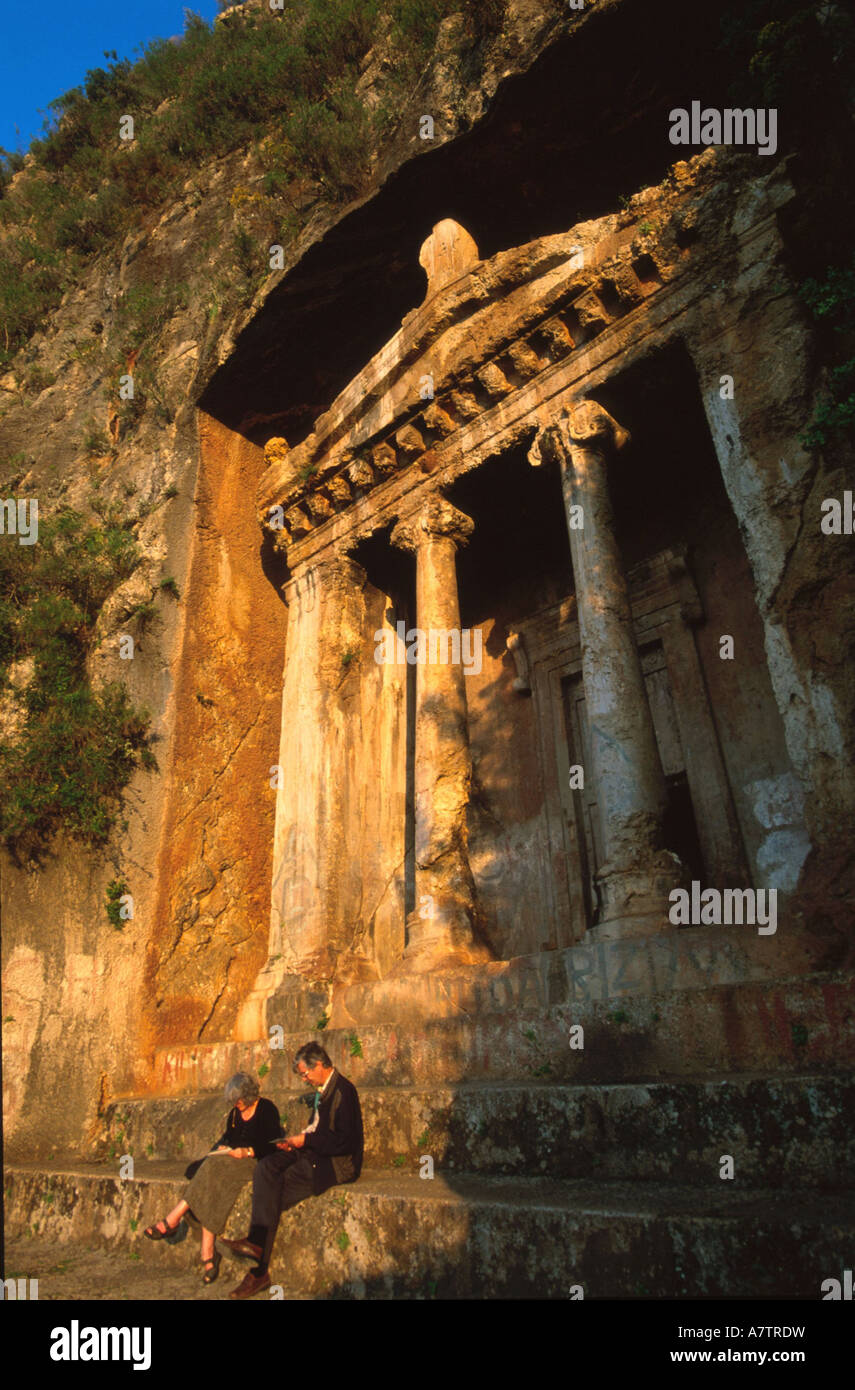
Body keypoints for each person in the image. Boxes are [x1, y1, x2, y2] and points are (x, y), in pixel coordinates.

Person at [218, 1042, 363, 1298]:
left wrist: (305, 1141)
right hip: (313, 1150)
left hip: (336, 1163)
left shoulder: (344, 1091)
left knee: (271, 1196)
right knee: (266, 1166)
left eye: (305, 1073)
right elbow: (317, 1131)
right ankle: (255, 1248)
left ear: (319, 1065)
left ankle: (258, 1269)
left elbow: (344, 1142)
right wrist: (296, 1141)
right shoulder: (323, 1091)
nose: (304, 1078)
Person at [143, 1072, 281, 1284]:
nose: (236, 1105)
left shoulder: (267, 1109)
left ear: (248, 1096)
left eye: (239, 1100)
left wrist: (248, 1152)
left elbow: (273, 1144)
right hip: (231, 1162)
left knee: (215, 1169)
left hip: (257, 1161)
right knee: (217, 1177)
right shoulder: (234, 1115)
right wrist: (228, 1149)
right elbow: (229, 1139)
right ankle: (207, 1249)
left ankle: (174, 1218)